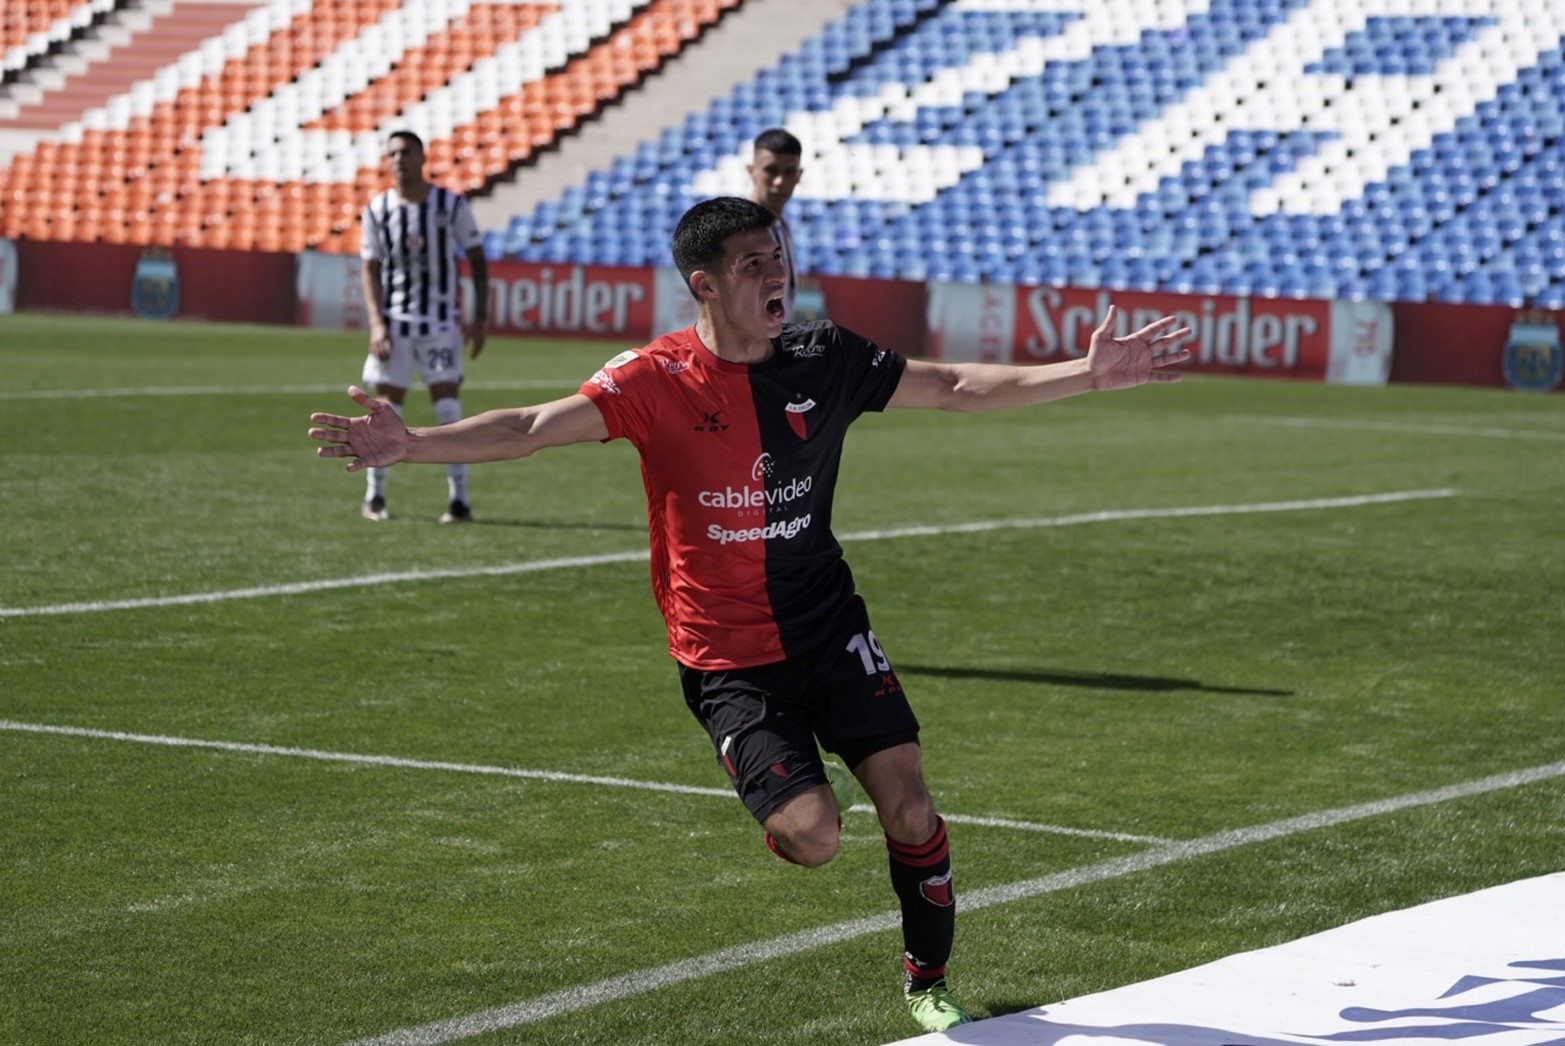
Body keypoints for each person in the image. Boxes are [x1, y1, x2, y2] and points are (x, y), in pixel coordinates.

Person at [309, 196, 1191, 1033]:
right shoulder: (654, 378)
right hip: (725, 654)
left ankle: (928, 983)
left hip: (828, 626)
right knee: (813, 838)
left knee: (911, 807)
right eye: (753, 264)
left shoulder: (825, 355)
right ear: (704, 283)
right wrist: (413, 445)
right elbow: (531, 426)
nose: (778, 275)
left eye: (779, 258)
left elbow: (957, 384)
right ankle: (789, 806)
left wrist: (1086, 374)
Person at [357, 128, 489, 524]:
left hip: (440, 323)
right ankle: (375, 496)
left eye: (407, 152)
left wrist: (480, 317)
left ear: (422, 158)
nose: (399, 159)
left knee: (448, 408)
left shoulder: (450, 205)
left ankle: (459, 500)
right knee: (385, 408)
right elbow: (369, 268)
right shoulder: (377, 209)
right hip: (394, 324)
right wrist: (376, 323)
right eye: (393, 153)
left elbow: (477, 259)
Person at [745, 127, 803, 321]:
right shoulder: (738, 229)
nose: (779, 181)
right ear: (751, 171)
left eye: (789, 172)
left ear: (799, 176)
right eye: (771, 170)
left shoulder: (782, 226)